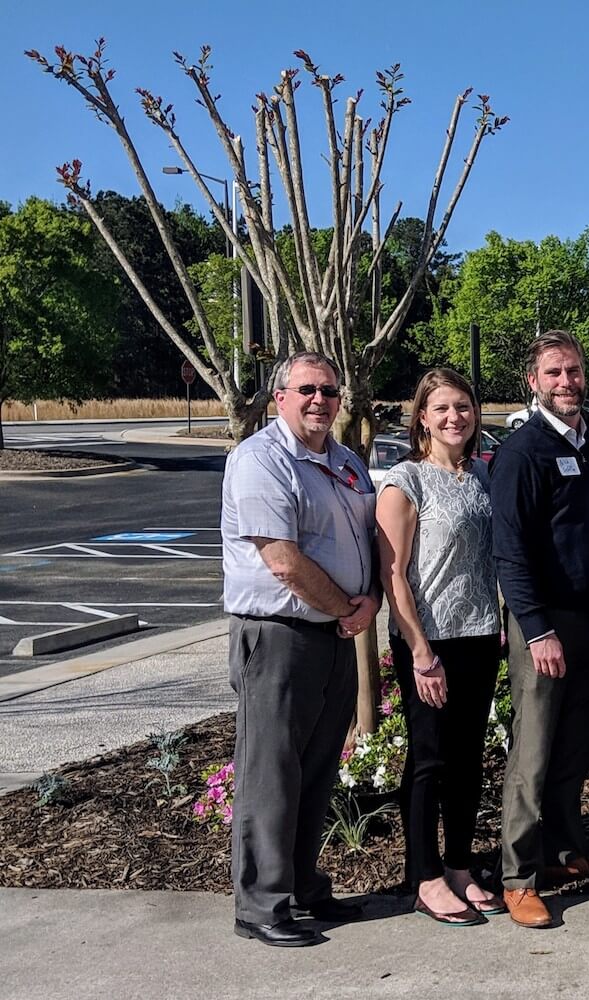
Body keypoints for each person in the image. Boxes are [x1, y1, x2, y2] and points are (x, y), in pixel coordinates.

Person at [220, 351, 379, 948]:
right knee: (271, 773)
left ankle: (302, 885)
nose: (322, 401)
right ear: (279, 397)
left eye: (331, 391)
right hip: (281, 636)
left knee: (316, 770)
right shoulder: (260, 460)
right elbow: (282, 560)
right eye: (308, 389)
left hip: (335, 634)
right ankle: (261, 903)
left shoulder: (344, 462)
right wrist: (349, 607)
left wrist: (365, 605)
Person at [491, 331, 589, 929]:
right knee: (534, 751)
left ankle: (566, 855)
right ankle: (519, 876)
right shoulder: (522, 452)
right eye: (554, 373)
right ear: (533, 382)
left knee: (575, 746)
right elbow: (510, 551)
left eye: (573, 371)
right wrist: (537, 629)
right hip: (542, 626)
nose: (566, 382)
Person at [375, 368, 503, 927]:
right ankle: (423, 875)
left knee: (469, 761)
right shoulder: (406, 481)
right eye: (443, 408)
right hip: (429, 642)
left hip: (478, 637)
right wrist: (421, 652)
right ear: (422, 417)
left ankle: (458, 866)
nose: (456, 417)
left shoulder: (479, 478)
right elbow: (394, 574)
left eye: (465, 406)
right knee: (429, 760)